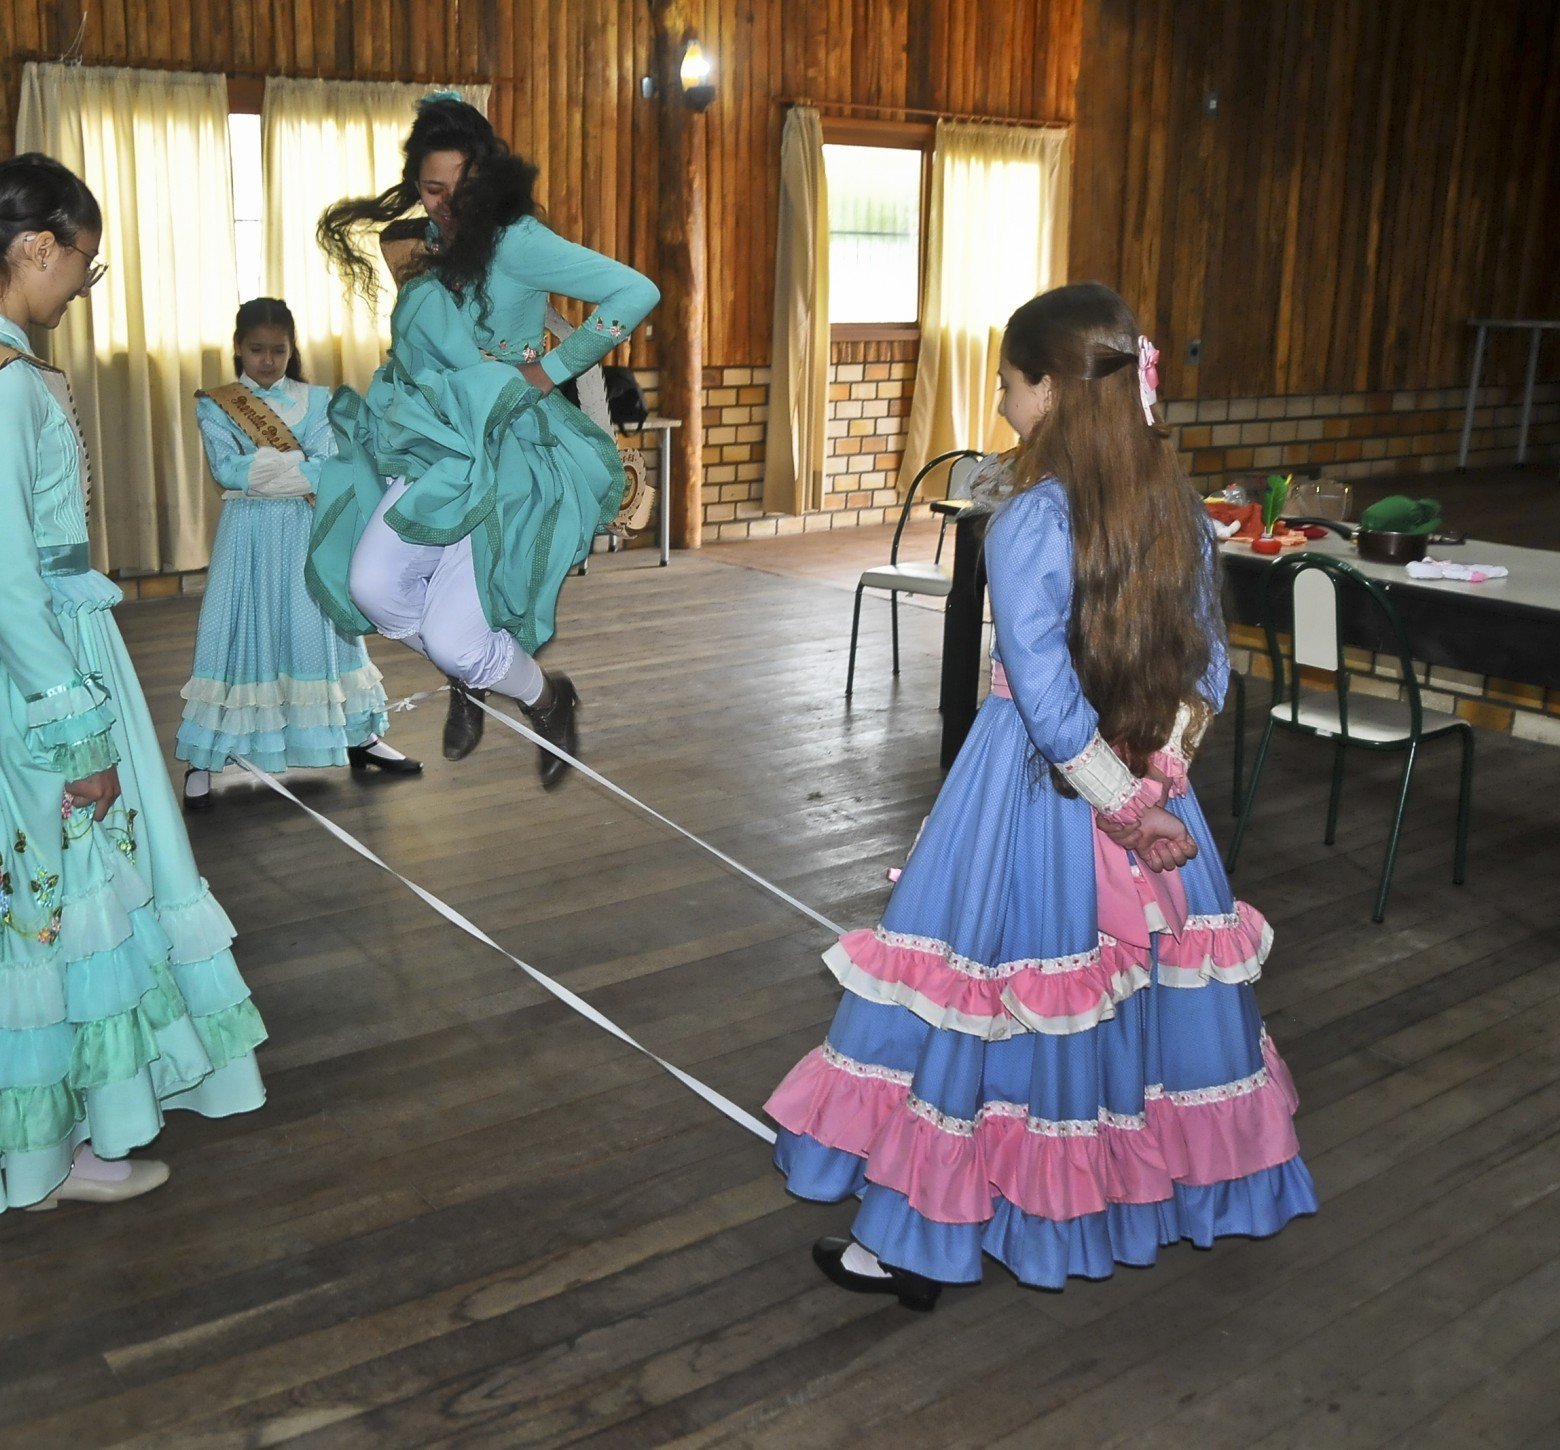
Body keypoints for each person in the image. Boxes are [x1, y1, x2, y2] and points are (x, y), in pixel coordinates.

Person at [766, 283, 1315, 1306]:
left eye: (1012, 386)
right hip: (1149, 787)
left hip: (1031, 797)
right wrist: (1160, 779)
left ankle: (916, 1238)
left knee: (981, 1003)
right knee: (1108, 1015)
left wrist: (1121, 802)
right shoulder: (1180, 511)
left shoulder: (1026, 521)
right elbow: (1212, 672)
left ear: (1054, 390)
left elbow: (1048, 701)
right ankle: (1094, 1205)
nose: (1006, 407)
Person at [0, 156, 266, 1215]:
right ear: (34, 248)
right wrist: (78, 730)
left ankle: (40, 1144)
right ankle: (58, 1152)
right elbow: (6, 577)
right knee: (64, 893)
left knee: (18, 898)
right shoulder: (4, 387)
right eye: (81, 263)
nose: (82, 286)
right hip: (35, 656)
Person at [308, 93, 658, 788]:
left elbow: (635, 290)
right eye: (431, 189)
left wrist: (549, 369)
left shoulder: (519, 241)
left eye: (460, 190)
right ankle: (473, 667)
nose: (444, 204)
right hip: (435, 444)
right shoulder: (424, 243)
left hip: (505, 455)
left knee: (454, 637)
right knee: (371, 586)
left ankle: (546, 698)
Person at [175, 297, 421, 810]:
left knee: (325, 631)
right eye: (256, 350)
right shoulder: (216, 404)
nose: (267, 360)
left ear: (292, 350)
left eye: (278, 351)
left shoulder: (318, 399)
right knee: (235, 631)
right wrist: (297, 466)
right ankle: (204, 755)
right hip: (246, 537)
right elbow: (228, 471)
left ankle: (361, 735)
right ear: (238, 348)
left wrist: (270, 468)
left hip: (309, 530)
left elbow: (328, 468)